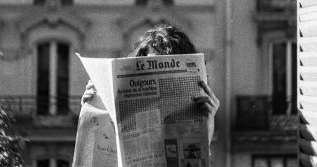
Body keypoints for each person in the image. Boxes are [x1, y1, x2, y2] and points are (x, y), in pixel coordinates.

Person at [81, 24, 219, 143]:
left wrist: (209, 120)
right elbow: (107, 164)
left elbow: (196, 163)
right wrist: (92, 110)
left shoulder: (199, 110)